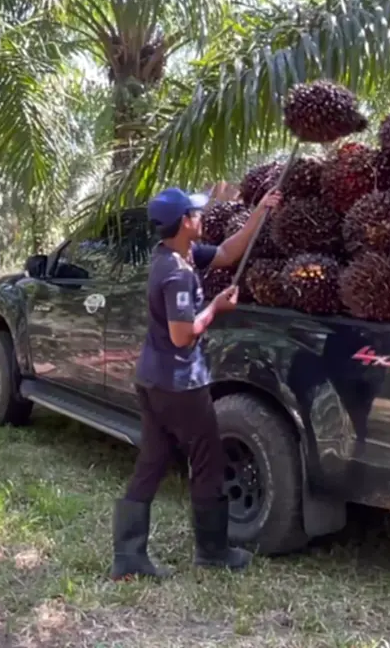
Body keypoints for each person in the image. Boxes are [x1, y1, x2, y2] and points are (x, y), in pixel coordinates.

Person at [111, 185, 282, 580]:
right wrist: (216, 308)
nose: (202, 217)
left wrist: (261, 210)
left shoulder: (179, 255)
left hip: (153, 381)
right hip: (179, 385)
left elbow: (227, 253)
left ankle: (128, 556)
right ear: (184, 222)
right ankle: (213, 550)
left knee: (152, 462)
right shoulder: (174, 273)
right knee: (207, 461)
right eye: (197, 213)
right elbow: (182, 334)